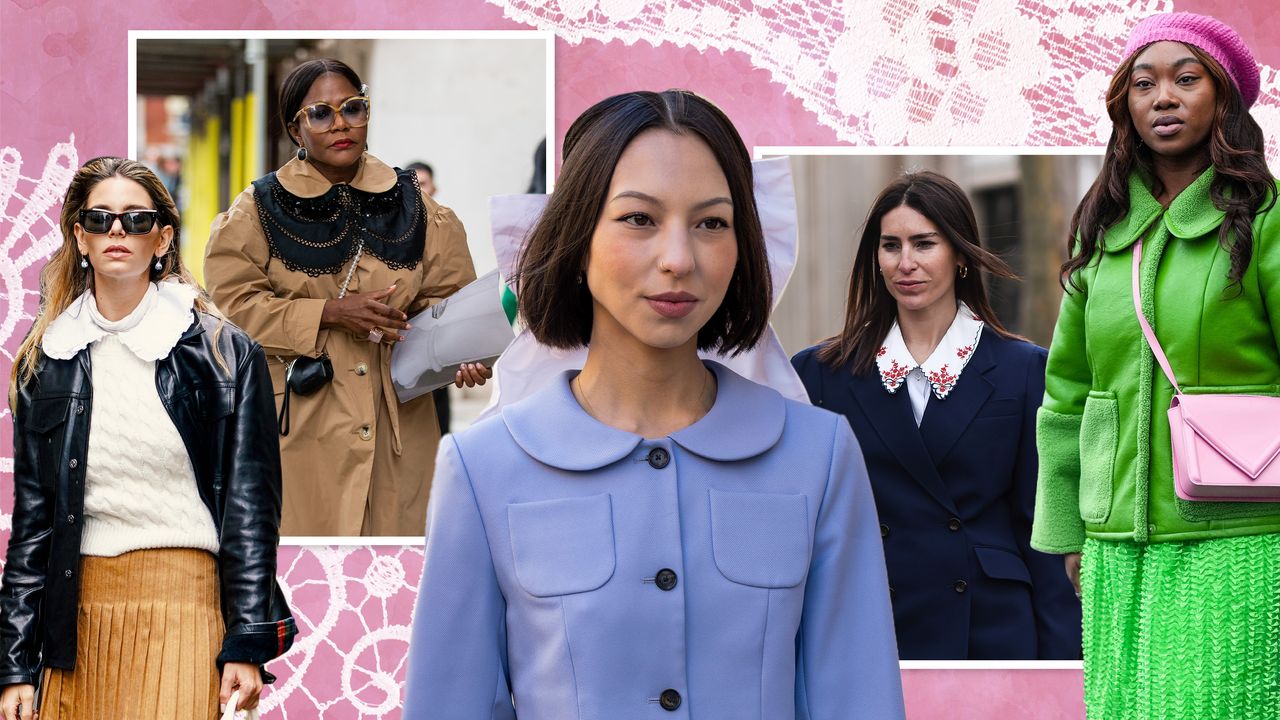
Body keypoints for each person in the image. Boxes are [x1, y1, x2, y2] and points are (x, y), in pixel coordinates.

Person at [402, 90, 905, 719]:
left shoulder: (820, 455)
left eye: (712, 223)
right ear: (578, 237)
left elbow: (857, 701)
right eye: (639, 218)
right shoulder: (482, 469)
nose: (678, 259)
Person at [1031, 12, 1280, 718]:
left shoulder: (1264, 218)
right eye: (1144, 84)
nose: (1162, 97)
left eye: (1185, 79)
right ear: (1125, 106)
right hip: (1115, 545)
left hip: (1243, 536)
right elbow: (1067, 393)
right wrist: (1069, 531)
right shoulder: (1102, 232)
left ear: (1223, 98)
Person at [0, 157, 295, 720]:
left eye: (137, 220)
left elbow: (250, 509)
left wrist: (247, 642)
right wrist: (14, 664)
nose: (118, 231)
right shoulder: (46, 361)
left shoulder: (224, 353)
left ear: (162, 239)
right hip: (76, 617)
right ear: (78, 237)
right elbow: (33, 524)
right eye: (101, 219)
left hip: (185, 607)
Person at [791, 171, 1081, 659]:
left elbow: (1043, 532)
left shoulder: (1025, 370)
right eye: (891, 246)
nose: (906, 263)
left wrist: (1062, 674)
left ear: (961, 255)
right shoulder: (821, 373)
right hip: (866, 625)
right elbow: (802, 526)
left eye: (925, 244)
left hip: (989, 633)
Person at [204, 59, 489, 537]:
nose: (340, 123)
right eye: (320, 113)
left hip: (399, 429)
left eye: (353, 108)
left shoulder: (419, 207)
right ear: (295, 128)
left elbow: (450, 303)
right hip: (298, 425)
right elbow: (233, 309)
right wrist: (330, 313)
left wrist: (464, 354)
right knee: (302, 579)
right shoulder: (256, 209)